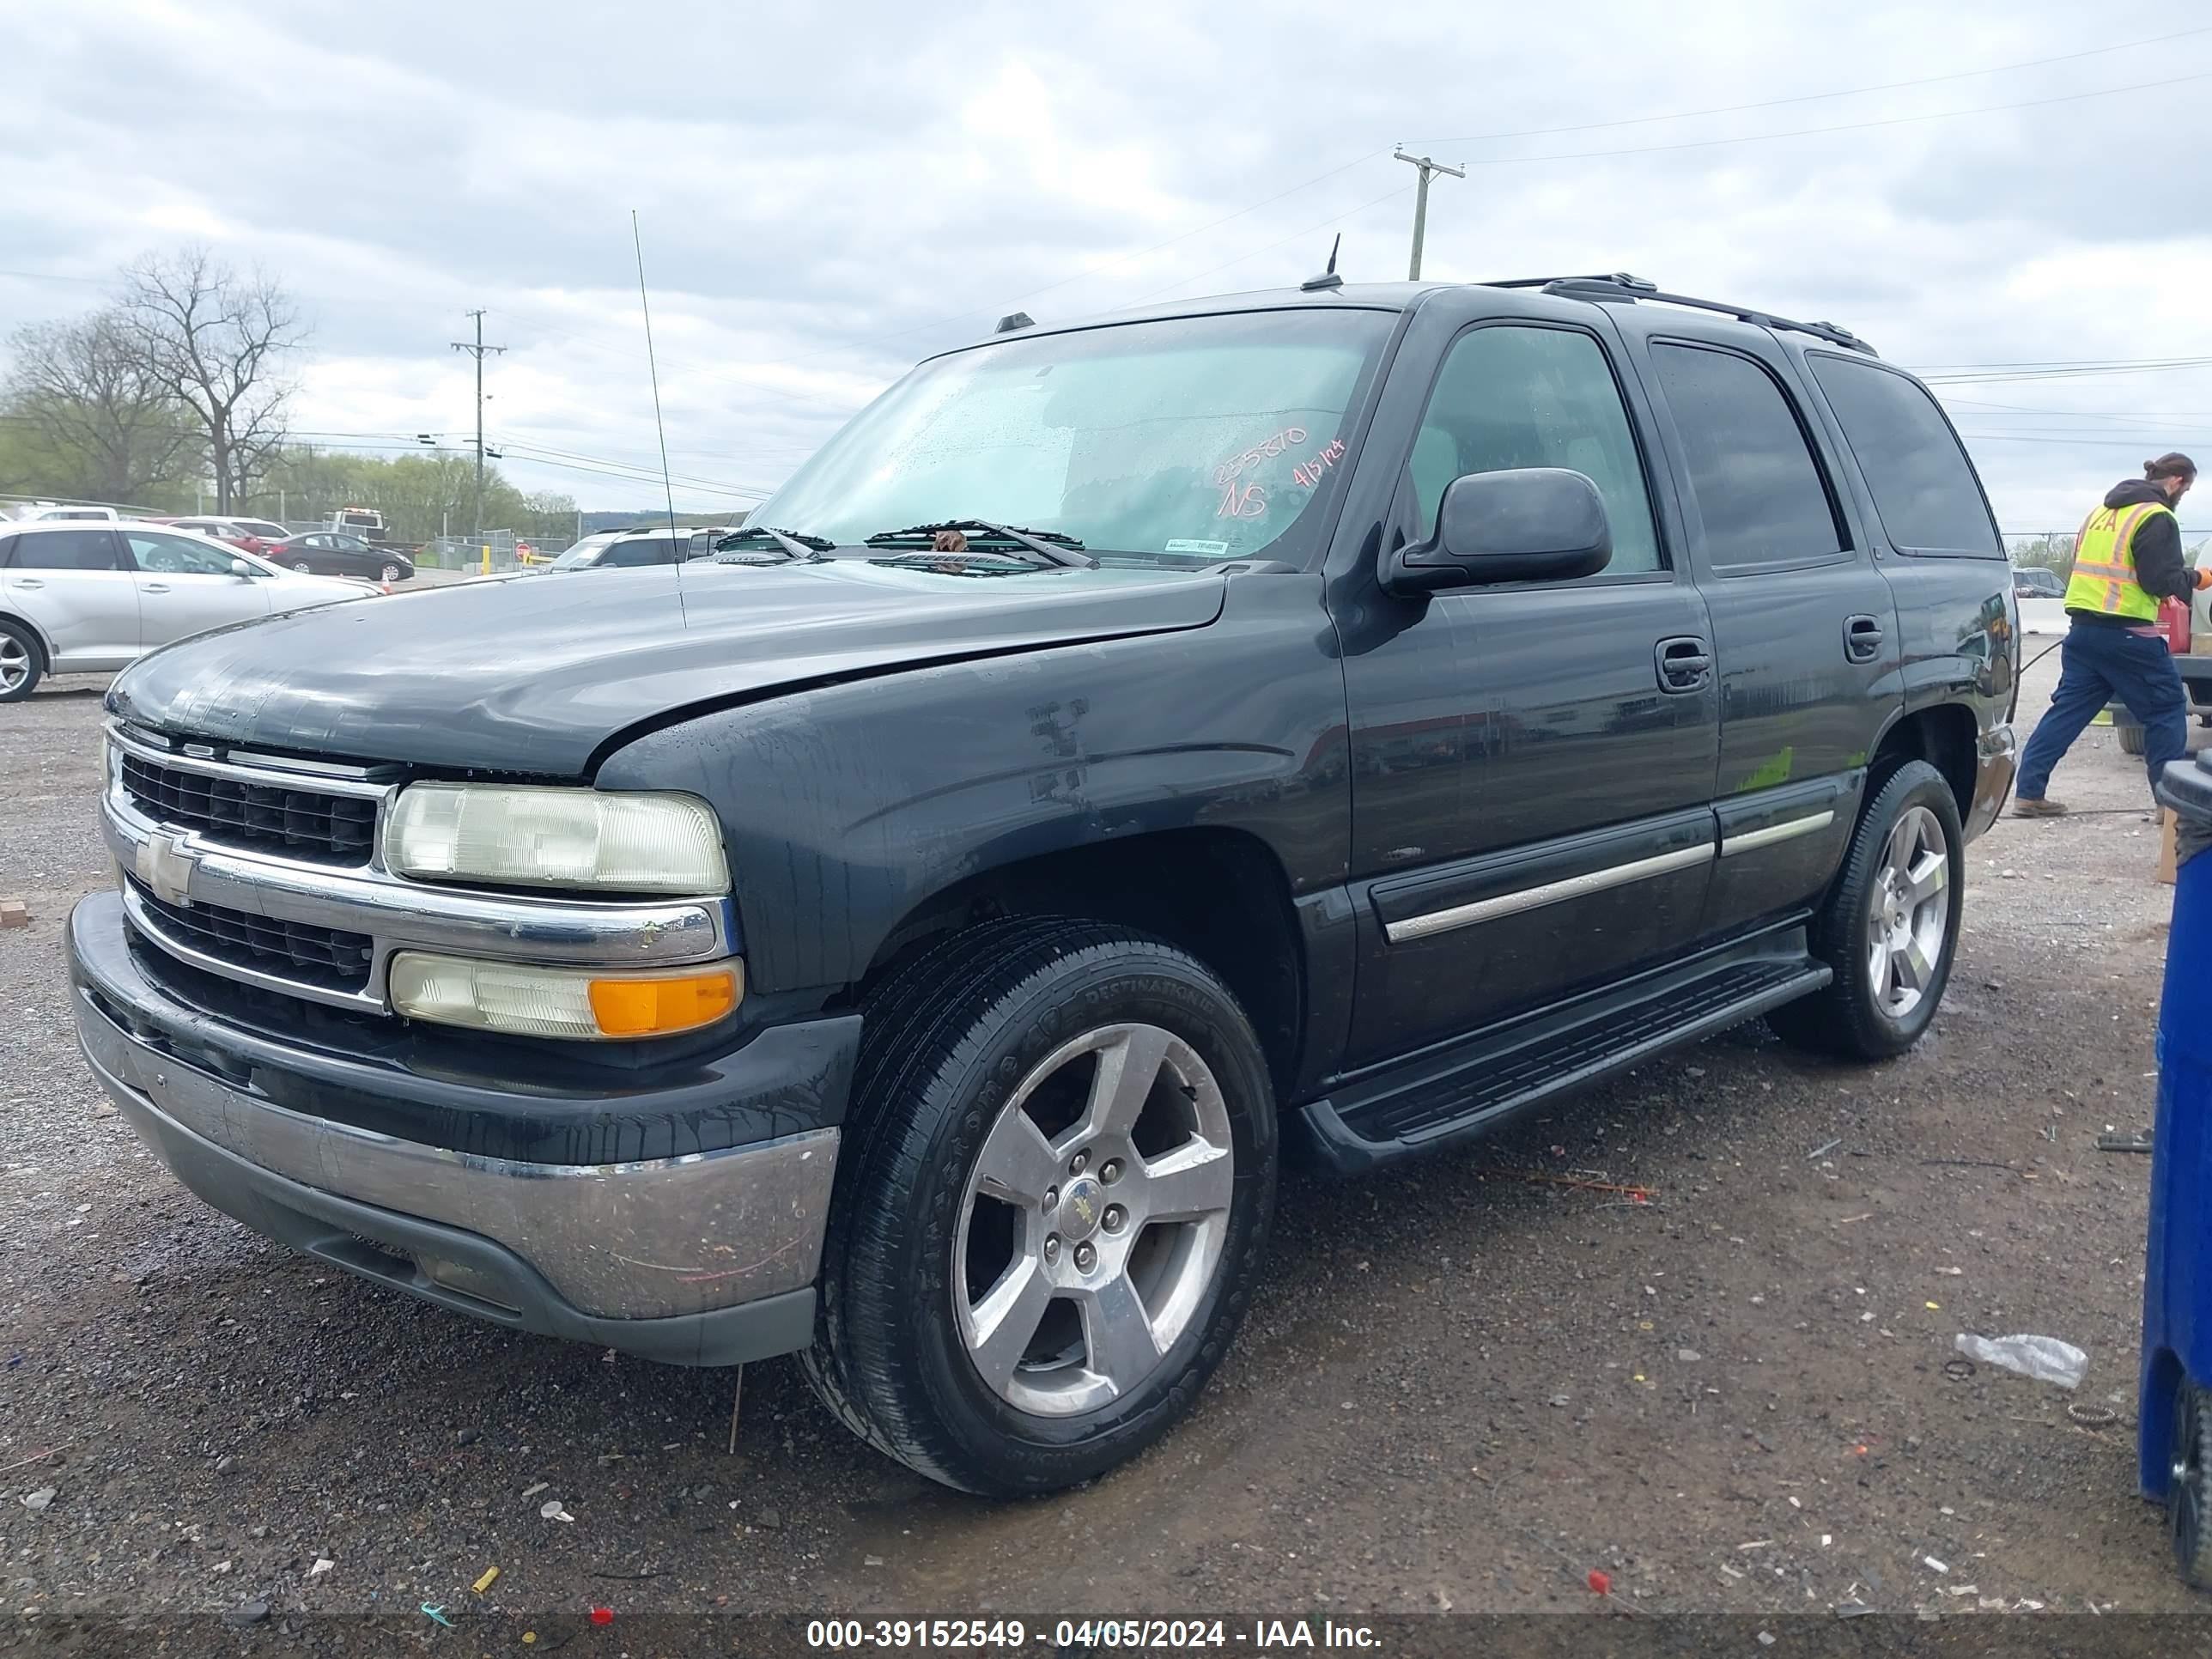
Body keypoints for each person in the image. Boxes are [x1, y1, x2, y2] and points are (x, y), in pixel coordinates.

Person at [2014, 453, 2212, 817]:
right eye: (2186, 488)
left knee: (2067, 713)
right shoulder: (2156, 516)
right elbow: (2160, 580)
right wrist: (2197, 579)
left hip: (2084, 632)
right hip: (2128, 634)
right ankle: (2169, 808)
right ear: (2177, 481)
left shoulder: (2100, 514)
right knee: (2166, 709)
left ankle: (2028, 793)